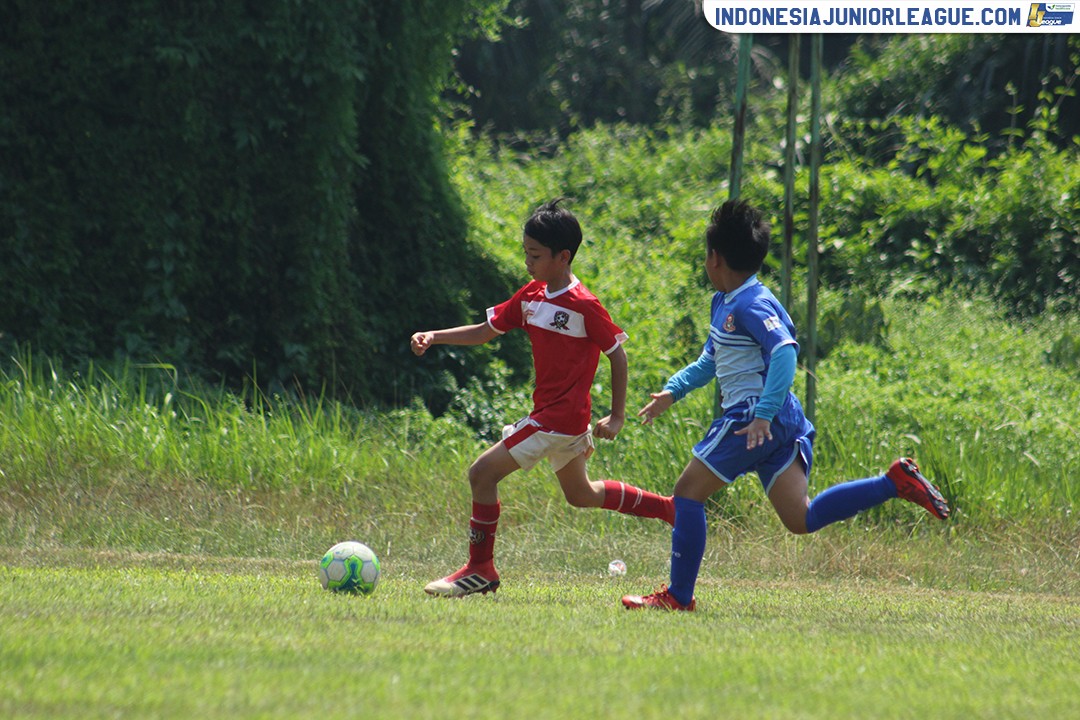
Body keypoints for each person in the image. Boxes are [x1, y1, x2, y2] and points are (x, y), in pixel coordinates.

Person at [621, 199, 950, 612]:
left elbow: (784, 352)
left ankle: (678, 597)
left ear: (714, 258)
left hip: (752, 417)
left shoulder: (750, 304)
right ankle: (893, 482)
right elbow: (710, 360)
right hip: (779, 419)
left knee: (687, 494)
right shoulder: (727, 301)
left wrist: (762, 414)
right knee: (800, 519)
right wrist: (674, 391)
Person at [411, 198, 675, 598]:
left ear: (563, 257)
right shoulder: (531, 296)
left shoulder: (584, 305)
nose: (527, 263)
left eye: (535, 255)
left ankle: (480, 569)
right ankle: (670, 508)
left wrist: (618, 415)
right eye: (526, 253)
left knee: (481, 474)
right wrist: (435, 336)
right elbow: (485, 330)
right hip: (563, 421)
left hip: (557, 420)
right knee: (582, 494)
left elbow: (617, 354)